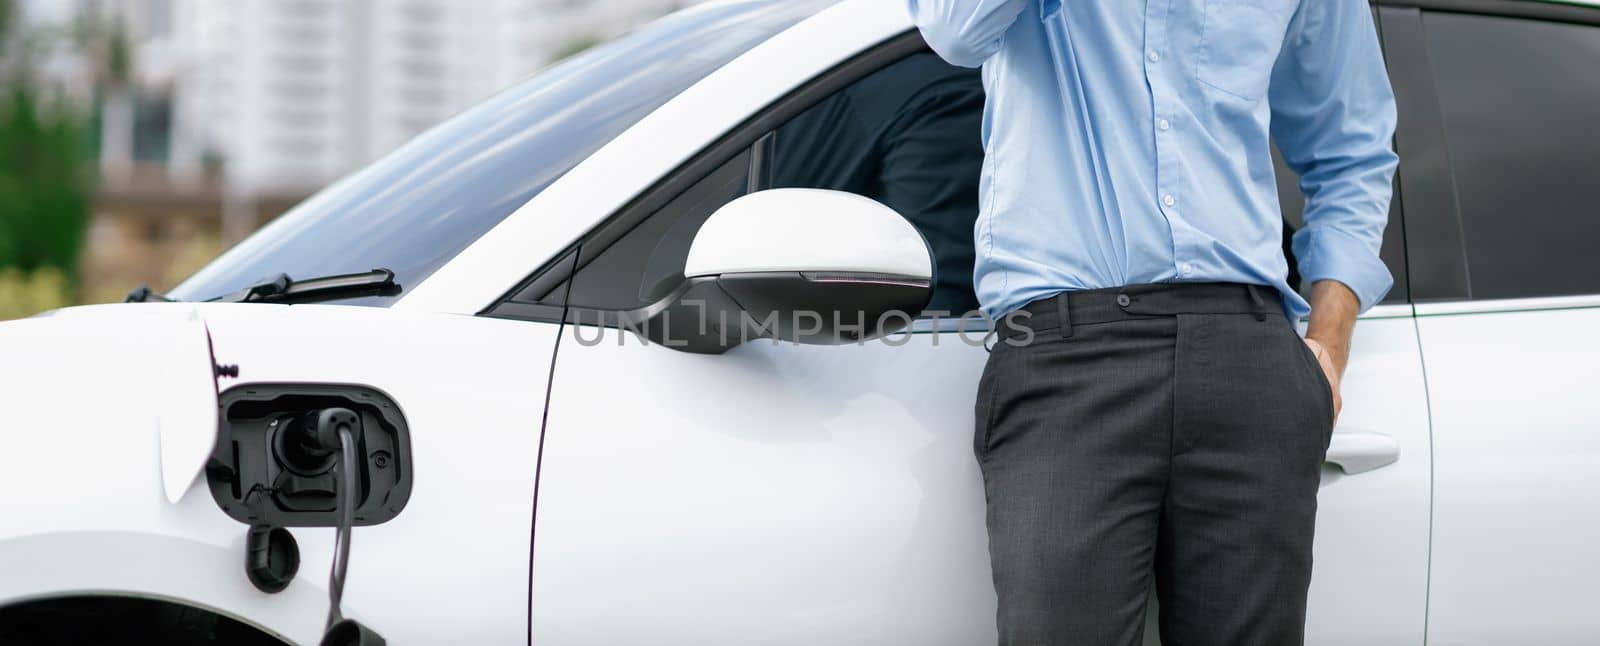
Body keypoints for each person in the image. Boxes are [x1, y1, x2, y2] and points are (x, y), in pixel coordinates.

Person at [909, 1, 1398, 644]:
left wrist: (1328, 343)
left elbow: (1352, 150)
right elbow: (956, 29)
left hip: (1249, 352)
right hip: (1067, 357)